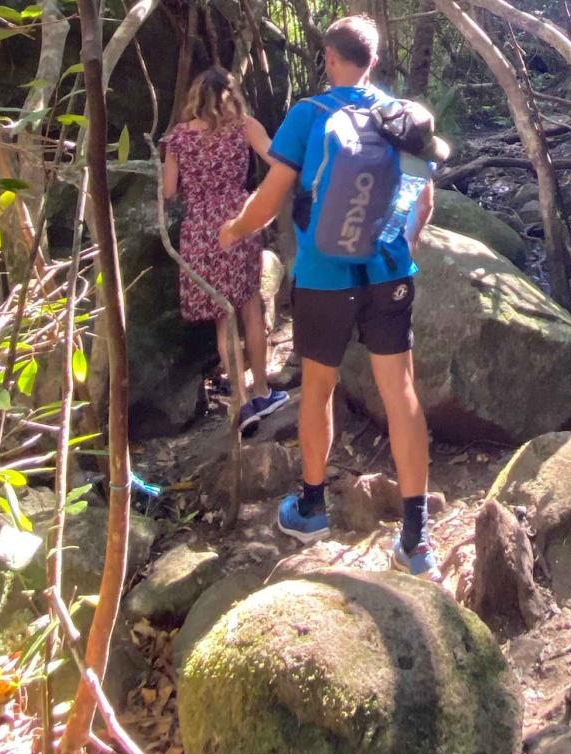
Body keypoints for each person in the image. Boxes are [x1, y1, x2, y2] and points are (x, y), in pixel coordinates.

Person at [218, 15, 447, 578]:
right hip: (388, 273)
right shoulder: (402, 117)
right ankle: (415, 542)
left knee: (318, 387)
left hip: (324, 276)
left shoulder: (308, 115)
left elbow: (271, 200)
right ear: (373, 61)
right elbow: (422, 202)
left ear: (329, 57)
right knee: (402, 394)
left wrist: (231, 232)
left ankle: (313, 507)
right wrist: (398, 247)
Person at [161, 67, 289, 432]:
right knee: (249, 306)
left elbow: (169, 192)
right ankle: (262, 391)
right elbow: (278, 160)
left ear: (195, 97)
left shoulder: (177, 139)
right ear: (230, 96)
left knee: (223, 315)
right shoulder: (244, 126)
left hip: (199, 229)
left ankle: (241, 401)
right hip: (237, 221)